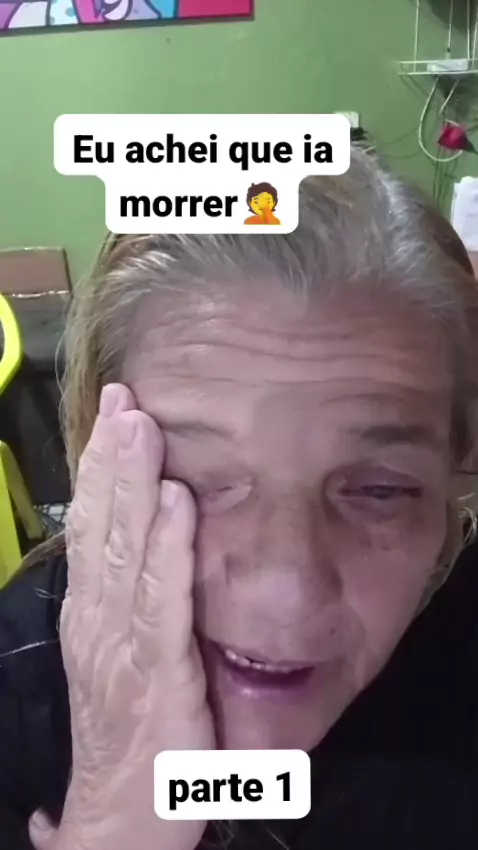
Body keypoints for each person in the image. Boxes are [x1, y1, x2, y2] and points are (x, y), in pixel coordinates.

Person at [1, 148, 478, 850]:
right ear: (95, 453)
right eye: (193, 478)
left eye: (380, 491)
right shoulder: (18, 682)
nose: (287, 592)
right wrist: (113, 816)